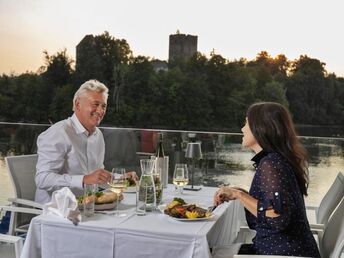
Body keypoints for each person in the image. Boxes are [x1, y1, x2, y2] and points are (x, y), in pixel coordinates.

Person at [214, 102, 320, 257]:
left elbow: (278, 217)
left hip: (282, 254)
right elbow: (273, 204)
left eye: (246, 123)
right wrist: (237, 192)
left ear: (260, 128)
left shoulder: (272, 164)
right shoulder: (275, 160)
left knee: (203, 252)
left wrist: (239, 195)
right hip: (282, 250)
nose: (242, 129)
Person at [35, 79, 136, 204]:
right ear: (78, 105)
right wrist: (83, 180)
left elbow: (97, 176)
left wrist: (120, 178)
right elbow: (42, 179)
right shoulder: (58, 133)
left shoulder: (97, 135)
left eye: (103, 106)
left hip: (89, 206)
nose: (100, 111)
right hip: (58, 210)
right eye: (95, 104)